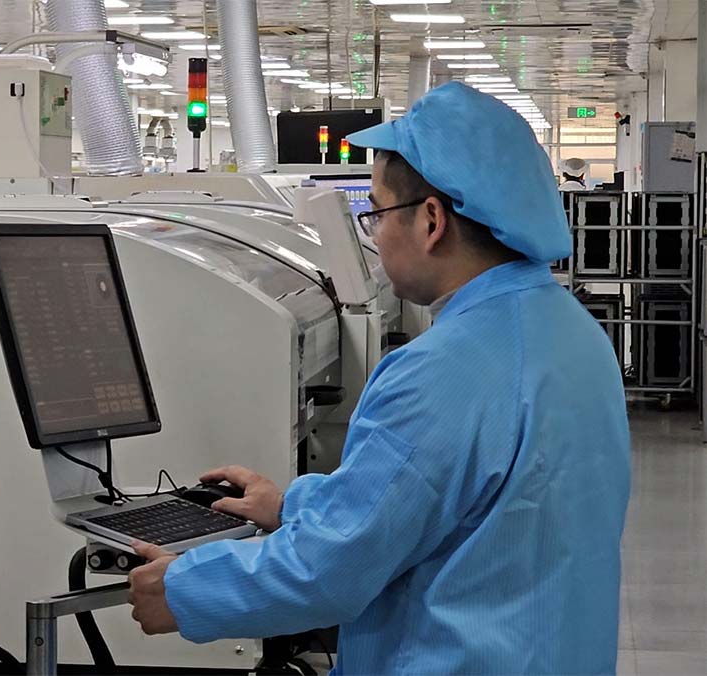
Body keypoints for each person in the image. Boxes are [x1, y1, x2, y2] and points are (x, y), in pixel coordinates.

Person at [127, 82, 631, 674]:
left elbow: (328, 572)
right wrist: (291, 505)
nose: (376, 235)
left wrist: (182, 590)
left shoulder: (442, 370)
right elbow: (447, 504)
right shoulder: (572, 332)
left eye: (376, 213)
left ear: (432, 220)